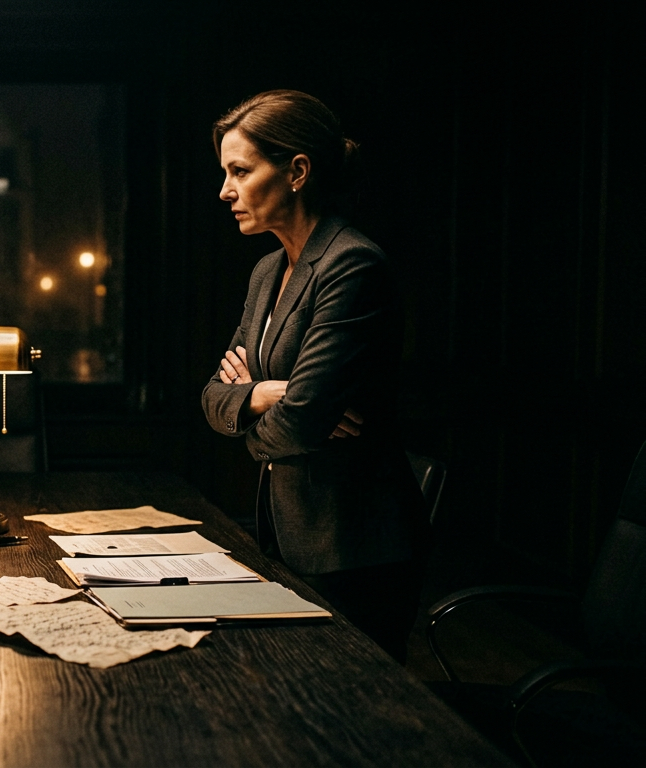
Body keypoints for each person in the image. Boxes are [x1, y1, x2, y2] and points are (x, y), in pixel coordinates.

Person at [200, 90, 426, 661]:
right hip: (285, 535)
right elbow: (212, 397)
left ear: (297, 171)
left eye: (240, 171)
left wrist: (261, 405)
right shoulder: (267, 269)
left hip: (353, 548)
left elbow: (301, 422)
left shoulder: (352, 263)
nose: (224, 190)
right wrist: (267, 394)